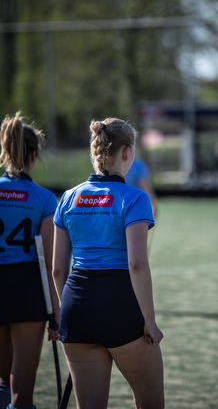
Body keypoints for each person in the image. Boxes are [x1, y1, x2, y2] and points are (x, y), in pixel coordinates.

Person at [53, 117, 164, 409]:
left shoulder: (67, 198)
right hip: (120, 307)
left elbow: (57, 269)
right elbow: (137, 263)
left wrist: (67, 313)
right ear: (127, 152)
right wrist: (150, 323)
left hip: (76, 307)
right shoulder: (136, 198)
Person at [0, 112, 59, 409]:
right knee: (21, 393)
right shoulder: (46, 199)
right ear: (34, 155)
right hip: (26, 291)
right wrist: (57, 313)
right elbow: (50, 263)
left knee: (1, 384)